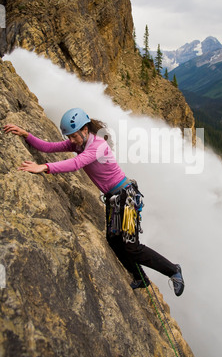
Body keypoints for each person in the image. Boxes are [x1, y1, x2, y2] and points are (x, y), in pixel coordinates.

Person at [4, 108, 185, 296]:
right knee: (114, 241)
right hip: (115, 200)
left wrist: (44, 167)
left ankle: (173, 270)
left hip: (127, 198)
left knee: (132, 246)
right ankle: (140, 278)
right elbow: (49, 147)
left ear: (84, 130)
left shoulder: (97, 146)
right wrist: (26, 134)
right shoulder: (79, 144)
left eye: (73, 136)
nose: (71, 140)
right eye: (69, 137)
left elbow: (76, 164)